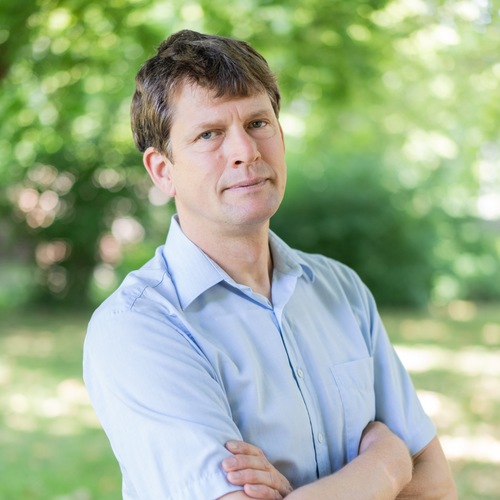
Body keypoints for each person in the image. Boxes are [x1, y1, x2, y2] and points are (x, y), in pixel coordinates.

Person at [83, 30, 456, 500]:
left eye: (258, 123)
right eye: (209, 134)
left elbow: (436, 486)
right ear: (163, 171)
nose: (245, 151)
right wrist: (386, 464)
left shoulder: (341, 289)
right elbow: (409, 466)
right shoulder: (136, 327)